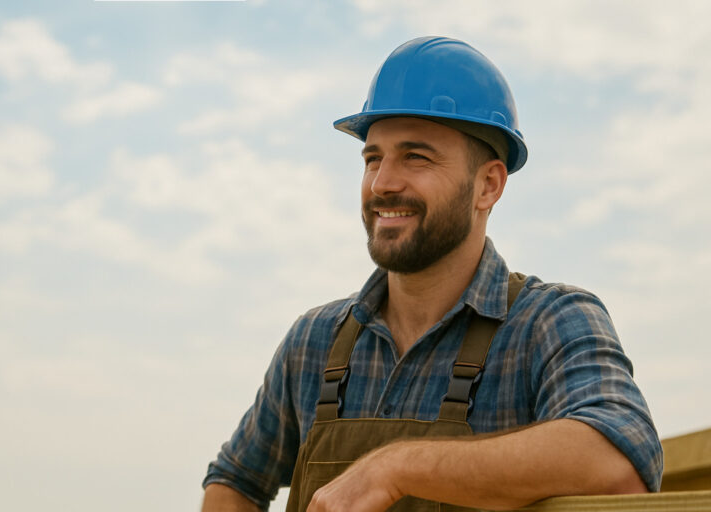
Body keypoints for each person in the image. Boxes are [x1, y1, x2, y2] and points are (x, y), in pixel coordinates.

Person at [201, 36, 662, 511]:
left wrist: (395, 469)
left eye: (415, 157)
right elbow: (234, 480)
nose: (382, 183)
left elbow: (619, 462)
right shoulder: (313, 342)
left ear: (488, 185)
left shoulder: (549, 322)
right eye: (373, 159)